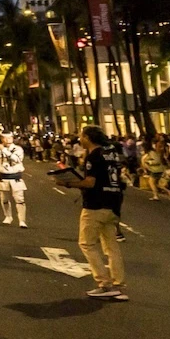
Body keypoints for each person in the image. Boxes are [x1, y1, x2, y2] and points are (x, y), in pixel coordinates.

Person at [59, 126, 127, 301]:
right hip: (113, 204)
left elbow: (90, 183)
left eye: (81, 136)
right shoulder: (110, 154)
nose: (79, 139)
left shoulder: (94, 155)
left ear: (88, 138)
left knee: (87, 244)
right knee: (111, 246)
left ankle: (104, 284)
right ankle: (118, 282)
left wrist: (68, 183)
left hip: (96, 205)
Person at [0, 131, 27, 228]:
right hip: (3, 177)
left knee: (20, 199)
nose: (8, 140)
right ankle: (8, 216)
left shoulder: (18, 149)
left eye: (10, 138)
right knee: (4, 199)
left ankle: (22, 220)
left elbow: (16, 159)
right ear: (2, 139)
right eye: (5, 138)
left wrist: (3, 149)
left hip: (15, 177)